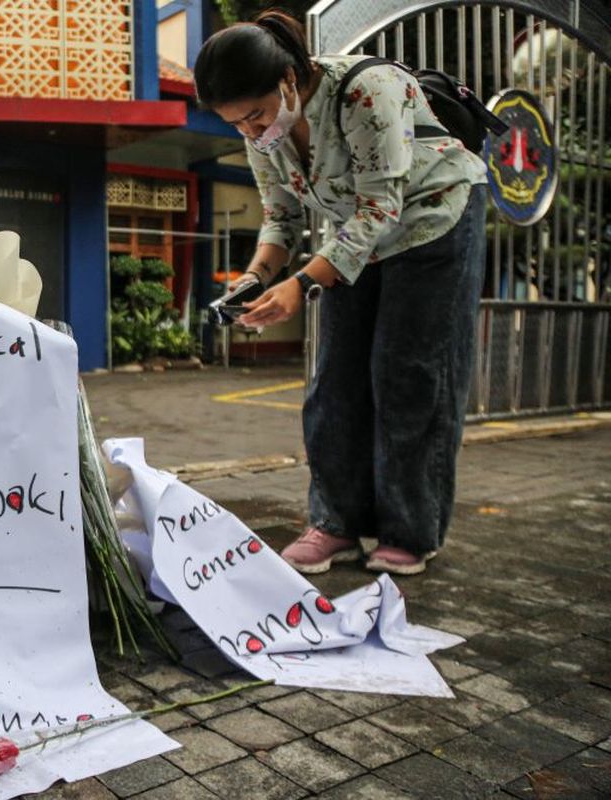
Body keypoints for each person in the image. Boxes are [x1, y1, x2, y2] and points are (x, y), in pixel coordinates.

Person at [193, 9, 489, 576]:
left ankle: (409, 530)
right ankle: (335, 524)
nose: (251, 133)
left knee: (408, 373)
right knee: (334, 379)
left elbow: (384, 203)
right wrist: (255, 279)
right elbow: (280, 220)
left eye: (255, 115)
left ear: (286, 80)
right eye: (237, 125)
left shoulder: (365, 91)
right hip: (357, 236)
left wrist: (301, 284)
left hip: (433, 218)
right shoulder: (264, 134)